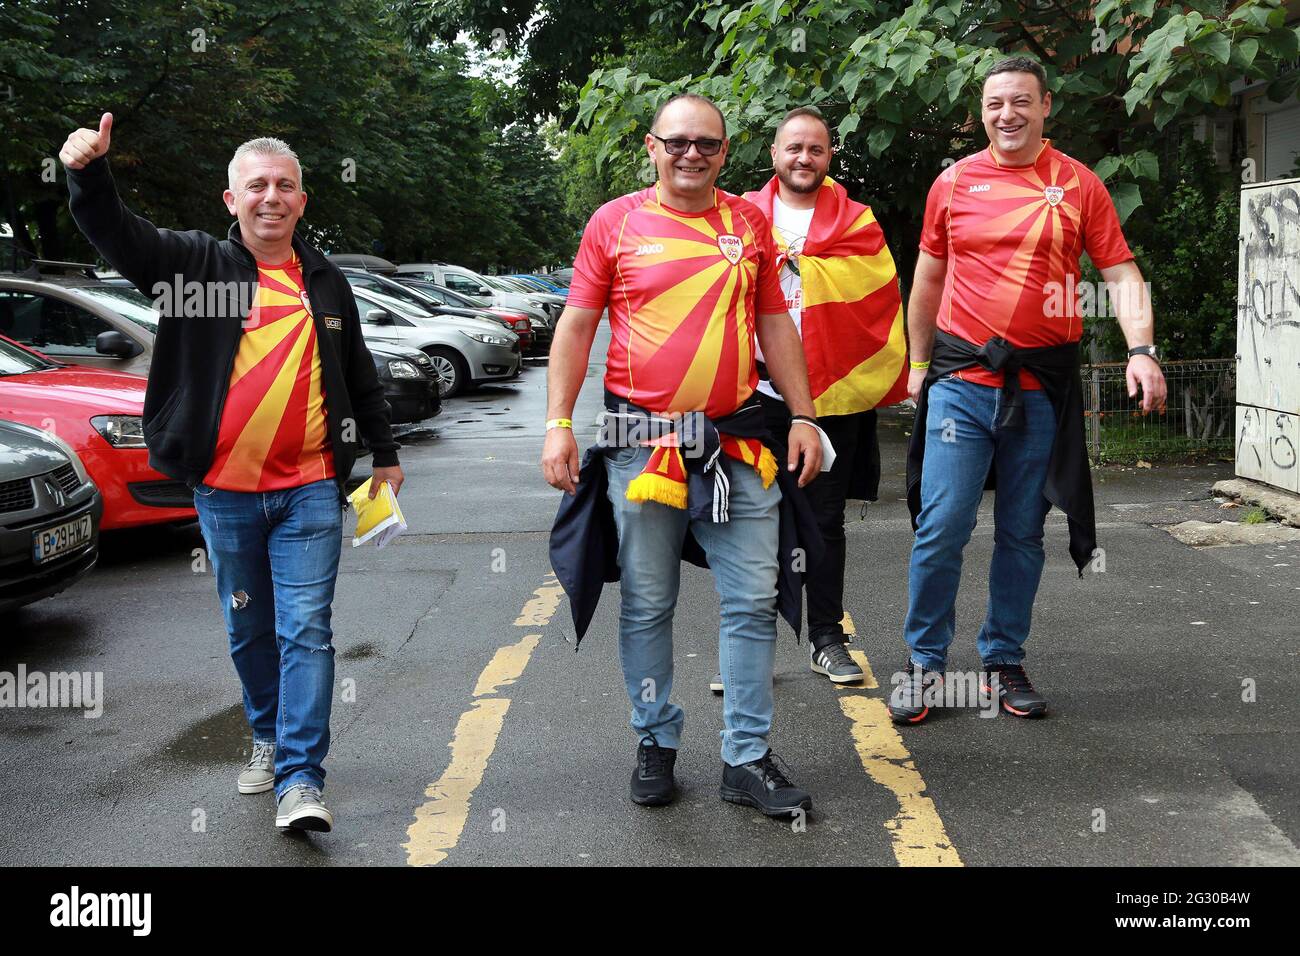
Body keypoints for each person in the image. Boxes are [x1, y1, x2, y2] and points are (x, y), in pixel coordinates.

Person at [61, 114, 404, 830]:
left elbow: (358, 375)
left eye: (285, 186)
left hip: (311, 488)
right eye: (257, 185)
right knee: (250, 631)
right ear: (231, 200)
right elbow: (120, 233)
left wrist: (386, 455)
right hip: (224, 495)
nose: (271, 196)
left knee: (307, 630)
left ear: (303, 202)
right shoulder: (194, 268)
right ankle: (270, 737)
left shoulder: (326, 282)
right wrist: (90, 173)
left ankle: (302, 779)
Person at [543, 93, 825, 818]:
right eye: (678, 142)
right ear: (651, 146)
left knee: (753, 602)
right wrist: (557, 424)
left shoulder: (748, 223)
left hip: (737, 442)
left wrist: (803, 415)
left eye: (707, 143)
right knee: (645, 605)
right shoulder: (616, 223)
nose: (692, 153)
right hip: (642, 447)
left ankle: (747, 758)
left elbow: (773, 322)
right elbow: (576, 327)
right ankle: (655, 740)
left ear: (726, 152)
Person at [889, 57, 1167, 724]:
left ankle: (1003, 658)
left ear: (1046, 107)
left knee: (1021, 531)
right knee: (943, 525)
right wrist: (917, 368)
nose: (1006, 114)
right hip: (962, 381)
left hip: (1042, 386)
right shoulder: (953, 184)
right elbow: (927, 280)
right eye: (993, 104)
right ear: (979, 114)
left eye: (1020, 101)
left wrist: (1142, 350)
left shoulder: (1078, 184)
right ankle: (924, 664)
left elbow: (1121, 273)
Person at [734, 105, 907, 689]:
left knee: (825, 520)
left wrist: (806, 266)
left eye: (815, 149)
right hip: (753, 392)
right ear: (774, 155)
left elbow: (879, 295)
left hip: (831, 393)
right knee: (749, 522)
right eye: (793, 148)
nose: (803, 158)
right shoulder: (738, 217)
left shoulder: (856, 221)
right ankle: (747, 649)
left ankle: (827, 639)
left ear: (828, 156)